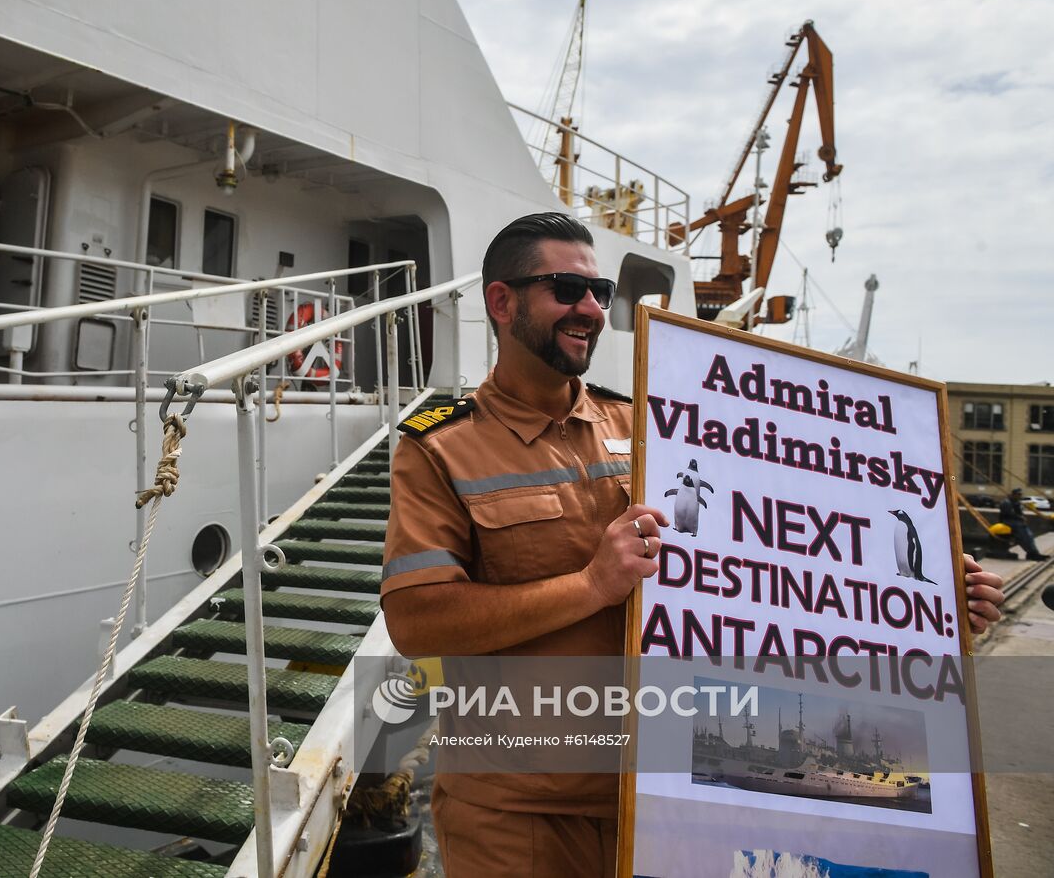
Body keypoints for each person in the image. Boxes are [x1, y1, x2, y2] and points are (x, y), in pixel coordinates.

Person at [379, 212, 1007, 878]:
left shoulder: (659, 424)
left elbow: (772, 575)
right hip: (521, 817)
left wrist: (922, 611)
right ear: (501, 302)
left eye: (600, 291)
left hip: (671, 802)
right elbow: (418, 619)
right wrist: (590, 586)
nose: (591, 308)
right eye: (566, 288)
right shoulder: (440, 447)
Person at [998, 488, 1043, 561]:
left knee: (1029, 535)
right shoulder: (1006, 502)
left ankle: (1033, 552)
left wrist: (1022, 517)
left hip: (1016, 522)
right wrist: (1020, 518)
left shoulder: (1017, 502)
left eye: (1021, 495)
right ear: (1014, 494)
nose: (1020, 496)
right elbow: (1008, 514)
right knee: (1023, 533)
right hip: (1008, 521)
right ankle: (1032, 552)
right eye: (1018, 494)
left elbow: (1019, 513)